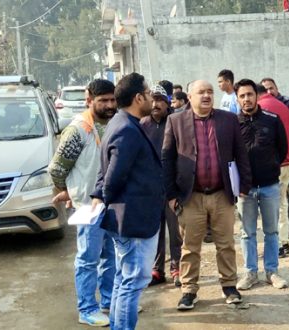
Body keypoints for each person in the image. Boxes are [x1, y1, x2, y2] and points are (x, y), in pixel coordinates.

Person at [162, 80, 251, 311]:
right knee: (190, 247)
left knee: (226, 244)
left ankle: (230, 287)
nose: (206, 96)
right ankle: (189, 290)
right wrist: (171, 194)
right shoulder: (176, 121)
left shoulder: (228, 120)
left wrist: (244, 185)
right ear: (189, 97)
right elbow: (167, 159)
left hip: (222, 194)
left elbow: (241, 153)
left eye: (210, 92)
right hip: (191, 196)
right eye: (201, 92)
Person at [90, 72, 164, 330]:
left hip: (131, 219)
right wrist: (103, 197)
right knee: (132, 282)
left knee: (124, 281)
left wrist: (100, 195)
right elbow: (113, 177)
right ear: (138, 97)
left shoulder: (122, 123)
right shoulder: (126, 130)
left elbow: (106, 173)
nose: (152, 100)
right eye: (148, 93)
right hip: (133, 221)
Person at [48, 79, 117, 327]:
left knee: (111, 255)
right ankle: (87, 308)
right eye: (103, 101)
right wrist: (69, 192)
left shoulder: (114, 124)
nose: (109, 105)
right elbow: (56, 169)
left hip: (112, 202)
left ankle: (109, 302)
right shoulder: (78, 130)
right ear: (90, 100)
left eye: (112, 100)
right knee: (88, 257)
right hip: (88, 205)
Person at [235, 79, 289, 291]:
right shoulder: (232, 123)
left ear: (257, 96)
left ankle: (272, 271)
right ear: (237, 99)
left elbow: (282, 149)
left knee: (271, 231)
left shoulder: (272, 120)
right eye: (242, 96)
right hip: (244, 189)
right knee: (247, 232)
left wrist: (270, 166)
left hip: (269, 185)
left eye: (249, 94)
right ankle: (250, 273)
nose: (246, 99)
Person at [140, 85, 183, 288]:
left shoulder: (175, 123)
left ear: (168, 103)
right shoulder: (142, 124)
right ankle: (158, 269)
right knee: (155, 231)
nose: (156, 104)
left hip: (172, 186)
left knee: (176, 231)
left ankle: (177, 267)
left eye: (160, 100)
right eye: (153, 100)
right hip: (151, 188)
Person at [260, 78, 289, 242]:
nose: (268, 92)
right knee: (282, 198)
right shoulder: (265, 106)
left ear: (276, 88)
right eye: (265, 89)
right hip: (280, 158)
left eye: (271, 88)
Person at [256, 84, 289, 258]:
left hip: (273, 164)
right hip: (286, 161)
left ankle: (279, 243)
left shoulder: (262, 108)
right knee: (281, 202)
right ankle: (284, 241)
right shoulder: (282, 105)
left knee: (273, 205)